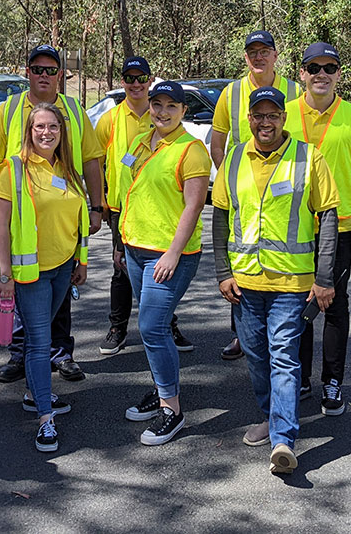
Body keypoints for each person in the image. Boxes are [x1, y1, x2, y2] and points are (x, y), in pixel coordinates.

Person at [213, 87, 340, 474]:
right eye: (258, 115)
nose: (265, 122)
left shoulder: (308, 156)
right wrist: (222, 271)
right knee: (255, 355)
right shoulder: (234, 157)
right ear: (249, 118)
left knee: (284, 356)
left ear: (283, 119)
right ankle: (271, 414)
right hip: (246, 283)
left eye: (272, 115)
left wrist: (324, 277)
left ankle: (284, 439)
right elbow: (221, 215)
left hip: (291, 282)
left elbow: (329, 216)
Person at [0, 44, 104, 383]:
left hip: (61, 216)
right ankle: (21, 355)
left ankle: (60, 353)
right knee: (24, 289)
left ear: (60, 76)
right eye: (37, 69)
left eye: (51, 70)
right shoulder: (8, 111)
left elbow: (91, 160)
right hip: (21, 223)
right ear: (27, 73)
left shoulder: (73, 110)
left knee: (60, 289)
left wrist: (96, 208)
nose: (43, 75)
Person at [284, 42, 351, 415]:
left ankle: (333, 381)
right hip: (292, 227)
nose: (321, 74)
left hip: (337, 228)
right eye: (313, 67)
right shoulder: (284, 114)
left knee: (334, 304)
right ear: (302, 73)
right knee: (297, 304)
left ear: (339, 74)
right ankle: (301, 377)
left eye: (330, 67)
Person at [118, 81, 211, 445]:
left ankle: (172, 411)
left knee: (153, 327)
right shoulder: (143, 141)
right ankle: (161, 391)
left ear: (184, 111)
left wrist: (173, 252)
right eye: (157, 104)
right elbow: (135, 193)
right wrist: (121, 240)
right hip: (136, 247)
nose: (162, 111)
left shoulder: (191, 151)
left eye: (172, 106)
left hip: (170, 254)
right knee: (150, 326)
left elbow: (194, 205)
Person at [0, 103, 89, 452]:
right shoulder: (13, 169)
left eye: (53, 127)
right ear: (29, 131)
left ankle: (36, 393)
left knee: (43, 333)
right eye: (39, 127)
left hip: (63, 266)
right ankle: (45, 420)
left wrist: (81, 259)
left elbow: (77, 219)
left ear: (61, 132)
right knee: (38, 342)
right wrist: (5, 275)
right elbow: (0, 226)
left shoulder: (67, 168)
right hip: (31, 273)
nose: (46, 133)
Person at [211, 30, 299, 360]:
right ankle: (242, 335)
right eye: (252, 52)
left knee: (286, 260)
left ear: (276, 55)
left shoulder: (293, 90)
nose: (258, 57)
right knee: (241, 261)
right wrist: (231, 179)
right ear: (245, 57)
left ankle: (284, 337)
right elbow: (217, 142)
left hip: (287, 188)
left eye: (265, 51)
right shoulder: (231, 93)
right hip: (243, 192)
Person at [96, 56, 192, 355]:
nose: (135, 83)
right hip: (122, 209)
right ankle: (118, 326)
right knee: (122, 269)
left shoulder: (160, 121)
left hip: (160, 208)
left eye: (141, 78)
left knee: (161, 273)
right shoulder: (110, 119)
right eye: (129, 77)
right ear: (122, 80)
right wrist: (100, 202)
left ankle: (166, 324)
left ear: (150, 80)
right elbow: (96, 162)